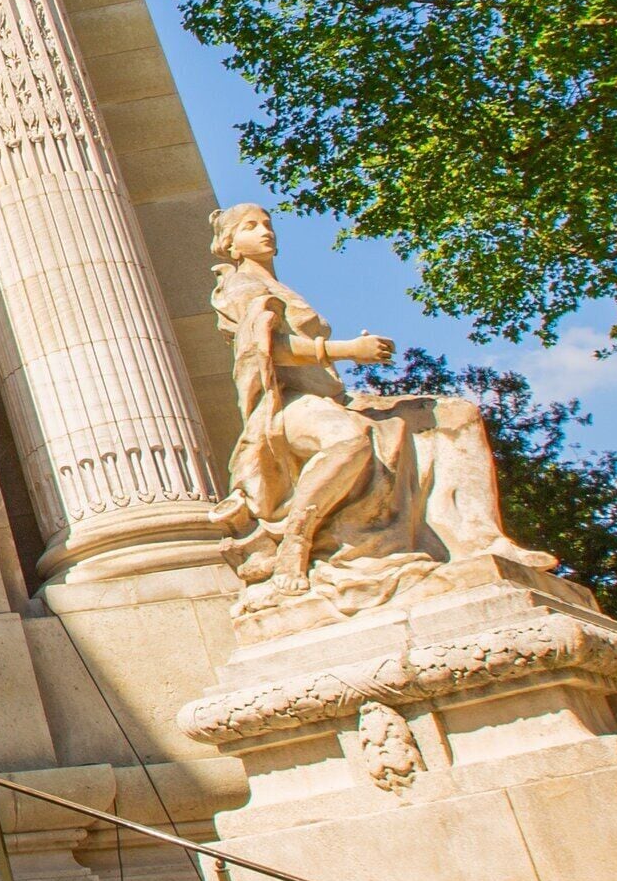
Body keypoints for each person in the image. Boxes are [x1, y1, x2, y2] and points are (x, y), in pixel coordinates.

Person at [210, 202, 554, 610]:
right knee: (348, 440)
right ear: (230, 244)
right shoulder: (241, 287)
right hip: (288, 405)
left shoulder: (278, 286)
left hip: (335, 398)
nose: (265, 232)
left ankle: (482, 538)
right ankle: (296, 543)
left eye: (267, 224)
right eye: (250, 227)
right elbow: (270, 350)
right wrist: (346, 350)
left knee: (457, 415)